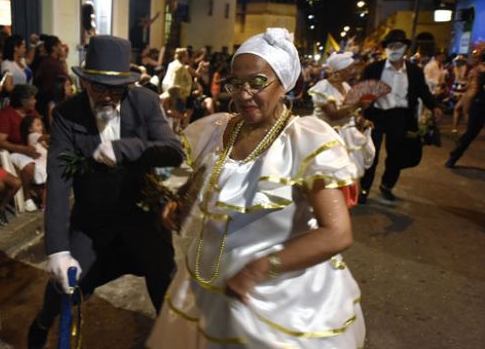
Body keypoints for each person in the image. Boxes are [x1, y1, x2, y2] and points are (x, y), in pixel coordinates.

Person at [148, 28, 364, 348]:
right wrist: (178, 203)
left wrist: (260, 268)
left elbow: (337, 233)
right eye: (236, 83)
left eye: (258, 82)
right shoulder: (217, 128)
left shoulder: (306, 141)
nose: (244, 94)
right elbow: (188, 178)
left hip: (281, 304)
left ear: (283, 84)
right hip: (210, 285)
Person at [27, 36, 184, 348]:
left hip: (142, 213)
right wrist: (57, 249)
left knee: (164, 279)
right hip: (93, 220)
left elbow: (173, 152)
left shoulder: (145, 102)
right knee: (63, 285)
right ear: (84, 82)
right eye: (99, 87)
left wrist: (127, 148)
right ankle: (42, 323)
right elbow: (58, 181)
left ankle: (169, 339)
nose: (108, 97)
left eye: (116, 89)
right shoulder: (66, 114)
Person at [359, 30, 441, 203]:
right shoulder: (373, 69)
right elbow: (361, 92)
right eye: (391, 46)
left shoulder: (414, 72)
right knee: (371, 154)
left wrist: (434, 106)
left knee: (396, 154)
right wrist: (361, 110)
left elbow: (423, 92)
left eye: (398, 46)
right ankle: (364, 189)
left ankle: (387, 185)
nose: (394, 49)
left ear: (406, 49)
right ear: (386, 49)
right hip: (376, 116)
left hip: (401, 117)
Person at [308, 52, 375, 179]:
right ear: (340, 70)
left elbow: (351, 113)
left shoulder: (346, 86)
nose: (354, 72)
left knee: (348, 174)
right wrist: (358, 105)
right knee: (330, 174)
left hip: (346, 135)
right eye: (350, 69)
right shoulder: (323, 87)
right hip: (327, 135)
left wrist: (361, 120)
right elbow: (333, 115)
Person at [0, 84, 41, 212]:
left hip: (32, 148)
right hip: (13, 152)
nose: (35, 101)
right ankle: (27, 197)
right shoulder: (6, 115)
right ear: (22, 101)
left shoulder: (32, 112)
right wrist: (23, 149)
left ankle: (42, 191)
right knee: (29, 166)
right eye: (32, 99)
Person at [445, 49, 485, 168]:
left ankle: (454, 155)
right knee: (470, 133)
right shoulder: (481, 70)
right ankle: (454, 156)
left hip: (478, 103)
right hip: (480, 105)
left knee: (470, 132)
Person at [33, 35, 68, 116]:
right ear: (54, 48)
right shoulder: (52, 64)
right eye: (60, 45)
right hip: (49, 101)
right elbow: (66, 78)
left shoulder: (50, 62)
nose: (61, 48)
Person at [20, 115, 48, 208]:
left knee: (46, 187)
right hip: (40, 167)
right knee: (46, 186)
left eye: (41, 125)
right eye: (38, 125)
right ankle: (44, 205)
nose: (41, 127)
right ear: (30, 129)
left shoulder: (40, 139)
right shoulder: (32, 136)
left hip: (45, 165)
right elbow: (45, 137)